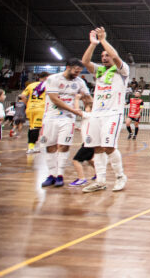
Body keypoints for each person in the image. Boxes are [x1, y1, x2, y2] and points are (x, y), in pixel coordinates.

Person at [80, 28, 130, 193]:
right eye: (102, 56)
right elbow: (85, 61)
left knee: (109, 147)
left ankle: (120, 176)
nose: (104, 57)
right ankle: (100, 180)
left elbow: (115, 56)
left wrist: (103, 40)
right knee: (97, 148)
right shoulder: (100, 71)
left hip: (113, 114)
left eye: (106, 54)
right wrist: (93, 44)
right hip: (96, 113)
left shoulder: (122, 70)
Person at [40, 59, 90, 188]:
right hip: (51, 117)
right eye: (75, 71)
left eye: (79, 72)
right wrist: (74, 110)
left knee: (64, 145)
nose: (77, 74)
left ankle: (60, 175)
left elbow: (87, 98)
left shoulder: (79, 82)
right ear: (68, 67)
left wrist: (91, 110)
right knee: (50, 145)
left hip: (68, 119)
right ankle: (51, 174)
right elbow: (55, 99)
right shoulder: (53, 78)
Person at [21, 72, 48, 154]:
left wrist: (27, 104)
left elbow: (22, 96)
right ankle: (31, 148)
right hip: (40, 108)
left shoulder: (31, 85)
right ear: (47, 77)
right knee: (36, 128)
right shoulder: (47, 85)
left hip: (30, 108)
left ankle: (31, 146)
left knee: (32, 127)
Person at [70, 103, 96, 186]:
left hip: (88, 143)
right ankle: (99, 174)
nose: (85, 108)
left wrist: (77, 99)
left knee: (76, 160)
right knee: (89, 159)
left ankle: (81, 179)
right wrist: (81, 129)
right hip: (91, 142)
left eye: (87, 107)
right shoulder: (94, 117)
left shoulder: (89, 115)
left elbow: (77, 111)